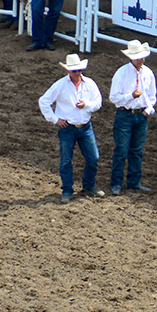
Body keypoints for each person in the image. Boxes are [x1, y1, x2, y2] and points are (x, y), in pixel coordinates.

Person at [39, 53, 104, 204]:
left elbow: (98, 102)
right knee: (66, 160)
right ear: (68, 71)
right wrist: (55, 119)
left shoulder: (89, 84)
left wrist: (86, 105)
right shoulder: (60, 85)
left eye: (79, 70)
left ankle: (88, 185)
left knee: (93, 158)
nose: (77, 73)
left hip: (85, 126)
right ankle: (67, 189)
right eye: (74, 70)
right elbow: (44, 101)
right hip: (68, 127)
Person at [107, 40, 157, 195]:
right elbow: (114, 98)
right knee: (122, 150)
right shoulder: (121, 73)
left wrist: (148, 111)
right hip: (125, 114)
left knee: (136, 150)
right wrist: (131, 96)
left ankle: (133, 182)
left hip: (140, 115)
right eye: (137, 57)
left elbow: (152, 96)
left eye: (141, 57)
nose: (140, 60)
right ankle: (116, 183)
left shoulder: (148, 73)